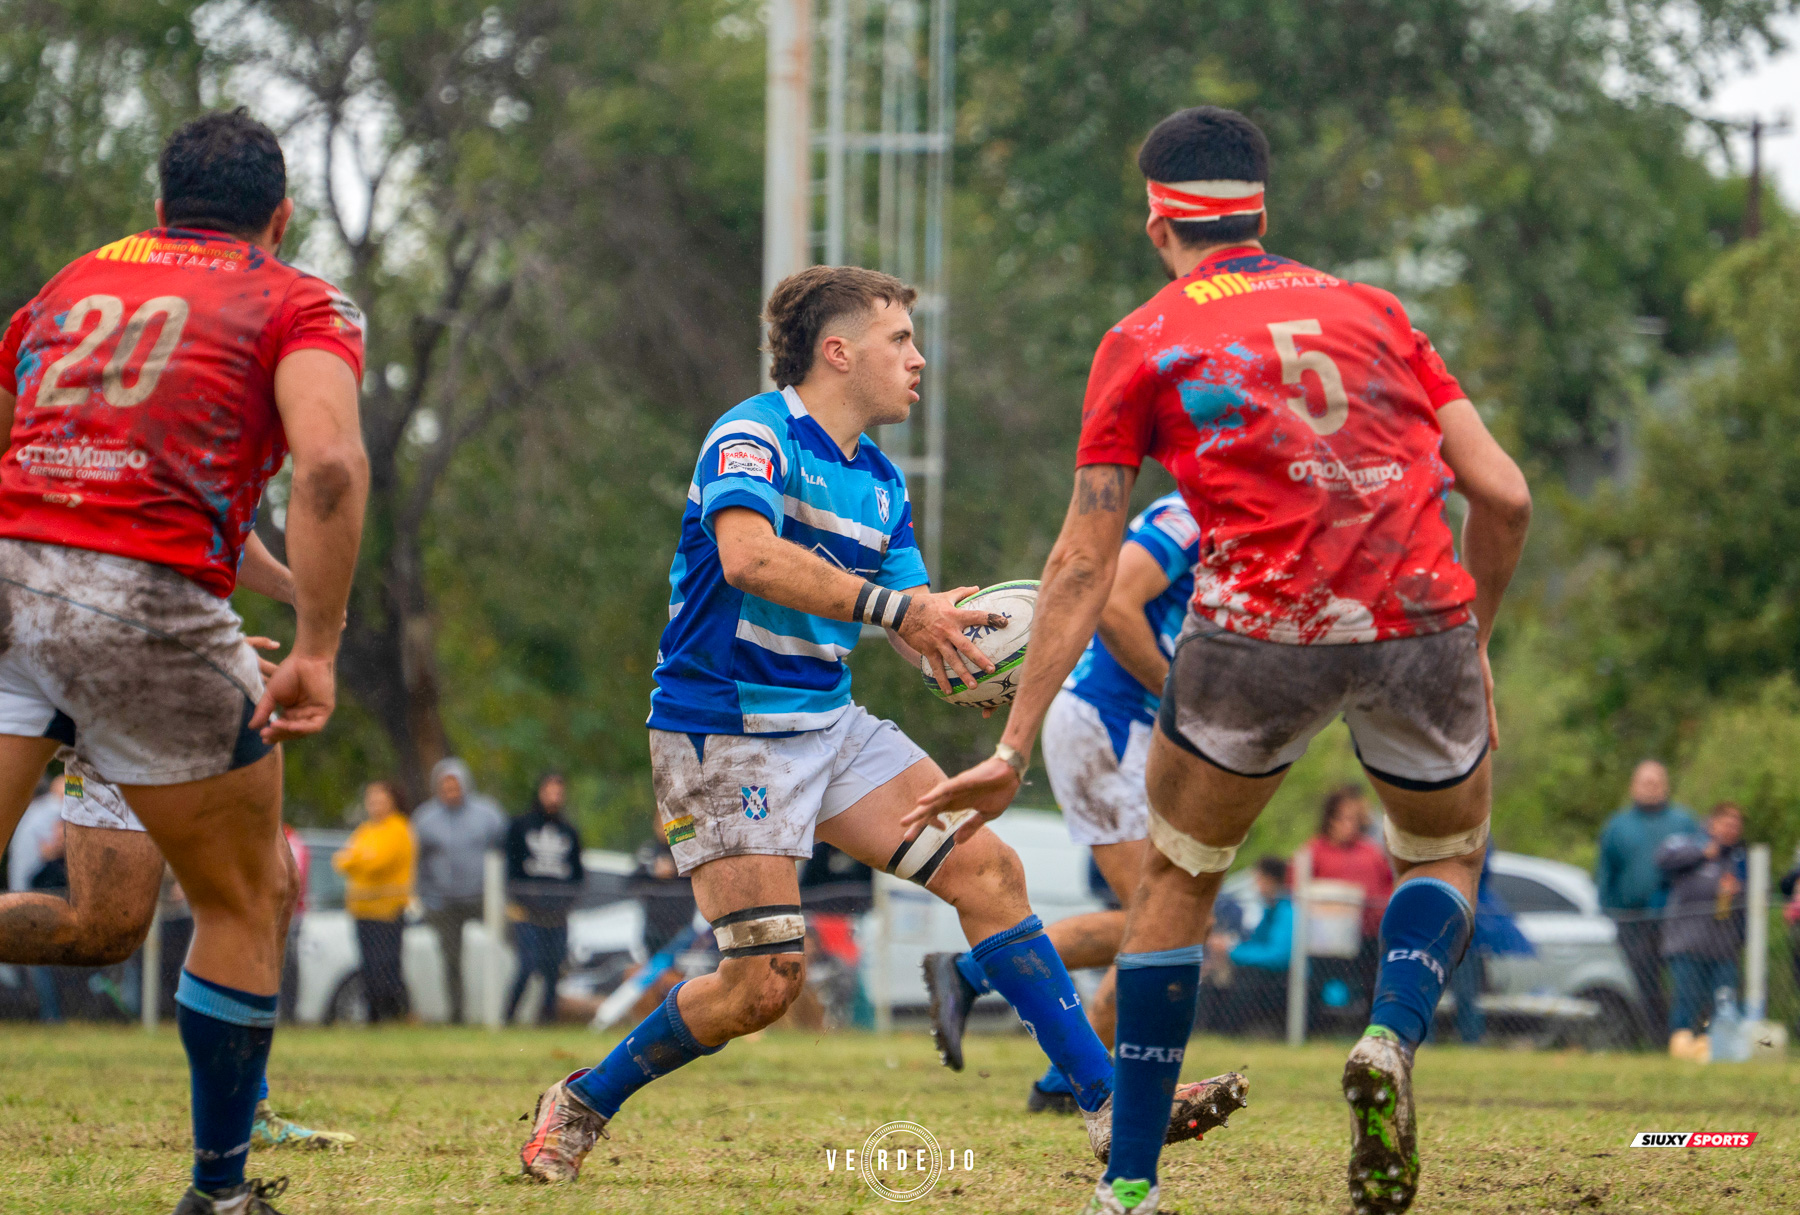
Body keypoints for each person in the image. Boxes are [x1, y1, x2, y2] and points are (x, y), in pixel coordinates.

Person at [912, 105, 1531, 1215]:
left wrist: (1012, 743)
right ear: (1263, 210)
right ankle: (1390, 1037)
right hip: (1420, 616)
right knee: (1443, 860)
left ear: (1160, 224)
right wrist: (1469, 642)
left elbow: (1080, 564)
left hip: (1257, 636)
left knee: (1178, 886)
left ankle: (1133, 1184)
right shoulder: (1377, 312)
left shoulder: (1145, 338)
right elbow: (1506, 494)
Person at [517, 265, 1245, 1185]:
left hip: (828, 721)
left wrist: (963, 644)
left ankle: (1106, 1106)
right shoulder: (752, 436)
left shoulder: (882, 482)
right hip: (723, 730)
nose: (918, 358)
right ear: (838, 351)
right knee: (762, 985)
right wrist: (900, 615)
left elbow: (909, 615)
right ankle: (582, 1100)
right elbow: (748, 558)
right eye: (900, 339)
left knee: (989, 869)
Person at [0, 107, 368, 1214]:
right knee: (250, 896)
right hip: (146, 604)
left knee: (109, 922)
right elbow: (333, 469)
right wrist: (317, 645)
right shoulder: (297, 299)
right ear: (282, 215)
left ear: (161, 208)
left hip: (13, 576)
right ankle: (218, 1190)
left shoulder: (70, 284)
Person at [924, 490, 1200, 1114]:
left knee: (1168, 924)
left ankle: (1054, 1085)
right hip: (1108, 723)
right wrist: (1180, 699)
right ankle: (972, 973)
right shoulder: (1191, 515)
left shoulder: (1247, 527)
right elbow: (1113, 605)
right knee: (1157, 923)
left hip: (1134, 732)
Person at [1595, 760, 1699, 1043]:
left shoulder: (1684, 822)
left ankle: (1688, 1037)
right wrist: (1608, 911)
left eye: (1656, 782)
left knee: (1684, 981)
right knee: (1645, 982)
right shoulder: (1617, 826)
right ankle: (1654, 1040)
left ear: (1665, 785)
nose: (1651, 788)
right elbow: (1606, 873)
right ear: (1633, 786)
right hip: (1634, 920)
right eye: (1645, 782)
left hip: (1678, 920)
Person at [412, 757, 506, 1023]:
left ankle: (502, 1012)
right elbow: (418, 863)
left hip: (482, 897)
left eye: (455, 784)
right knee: (451, 960)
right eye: (445, 785)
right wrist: (423, 895)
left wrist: (504, 896)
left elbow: (503, 852)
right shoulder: (425, 818)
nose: (451, 790)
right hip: (444, 901)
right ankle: (457, 1015)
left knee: (506, 946)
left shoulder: (488, 814)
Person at [1656, 802, 1747, 1048]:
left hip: (1724, 947)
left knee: (1724, 1003)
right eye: (1727, 824)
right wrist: (1703, 854)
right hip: (1687, 944)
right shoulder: (1690, 842)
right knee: (1686, 1001)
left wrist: (1740, 891)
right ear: (1713, 823)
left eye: (1736, 826)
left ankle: (1720, 1051)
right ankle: (1681, 1049)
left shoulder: (1739, 858)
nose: (1731, 830)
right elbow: (1663, 859)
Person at [1303, 786, 1394, 1012]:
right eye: (1342, 818)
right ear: (1330, 819)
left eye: (1353, 819)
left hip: (1369, 935)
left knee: (1372, 983)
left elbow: (1388, 884)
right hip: (1326, 941)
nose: (1348, 825)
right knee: (1317, 983)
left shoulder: (1370, 851)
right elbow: (1299, 889)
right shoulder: (1314, 850)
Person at [504, 772, 584, 1025]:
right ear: (539, 791)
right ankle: (508, 1017)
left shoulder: (569, 831)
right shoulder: (520, 826)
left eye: (558, 792)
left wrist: (565, 905)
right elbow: (511, 869)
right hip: (527, 912)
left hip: (557, 914)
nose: (554, 797)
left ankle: (547, 1020)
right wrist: (520, 900)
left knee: (552, 968)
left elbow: (577, 875)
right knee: (527, 965)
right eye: (549, 791)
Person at [333, 781, 416, 1024]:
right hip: (362, 910)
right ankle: (374, 1016)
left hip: (388, 910)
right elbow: (341, 861)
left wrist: (357, 859)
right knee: (368, 966)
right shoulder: (366, 830)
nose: (375, 805)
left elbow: (378, 863)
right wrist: (360, 859)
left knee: (386, 966)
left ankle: (395, 1014)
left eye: (380, 799)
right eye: (372, 800)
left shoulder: (399, 828)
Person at [1197, 856, 1293, 1036]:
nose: (1255, 885)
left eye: (1258, 879)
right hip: (1267, 975)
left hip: (1282, 979)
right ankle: (1208, 1029)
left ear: (1270, 880)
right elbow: (1255, 943)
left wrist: (1231, 951)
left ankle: (1228, 1030)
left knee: (1246, 978)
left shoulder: (1287, 911)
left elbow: (1279, 956)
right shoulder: (1270, 910)